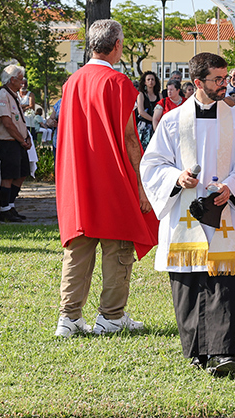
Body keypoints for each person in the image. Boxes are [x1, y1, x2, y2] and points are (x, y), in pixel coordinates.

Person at [141, 52, 235, 373]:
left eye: (225, 78)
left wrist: (233, 187)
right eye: (218, 80)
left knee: (224, 279)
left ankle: (226, 352)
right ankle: (198, 351)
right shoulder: (171, 121)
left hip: (223, 211)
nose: (225, 85)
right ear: (198, 83)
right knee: (191, 280)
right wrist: (176, 177)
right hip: (185, 211)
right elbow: (153, 164)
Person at [54, 19, 159, 338]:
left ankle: (68, 319)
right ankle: (111, 316)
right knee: (118, 247)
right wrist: (142, 183)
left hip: (79, 176)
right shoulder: (118, 82)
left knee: (79, 247)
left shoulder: (72, 81)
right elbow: (130, 137)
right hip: (112, 176)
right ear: (115, 45)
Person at [0, 64, 33, 222]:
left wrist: (26, 137)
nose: (23, 83)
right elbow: (7, 123)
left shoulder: (13, 95)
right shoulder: (3, 96)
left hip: (17, 142)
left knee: (22, 173)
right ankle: (4, 210)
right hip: (8, 142)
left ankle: (10, 205)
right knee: (8, 176)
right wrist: (22, 140)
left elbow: (19, 121)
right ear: (12, 80)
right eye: (21, 79)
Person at [136, 71, 160, 148]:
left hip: (157, 126)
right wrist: (153, 119)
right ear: (145, 82)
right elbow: (141, 111)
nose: (151, 81)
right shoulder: (141, 95)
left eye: (152, 79)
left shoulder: (159, 95)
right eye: (148, 79)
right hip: (144, 127)